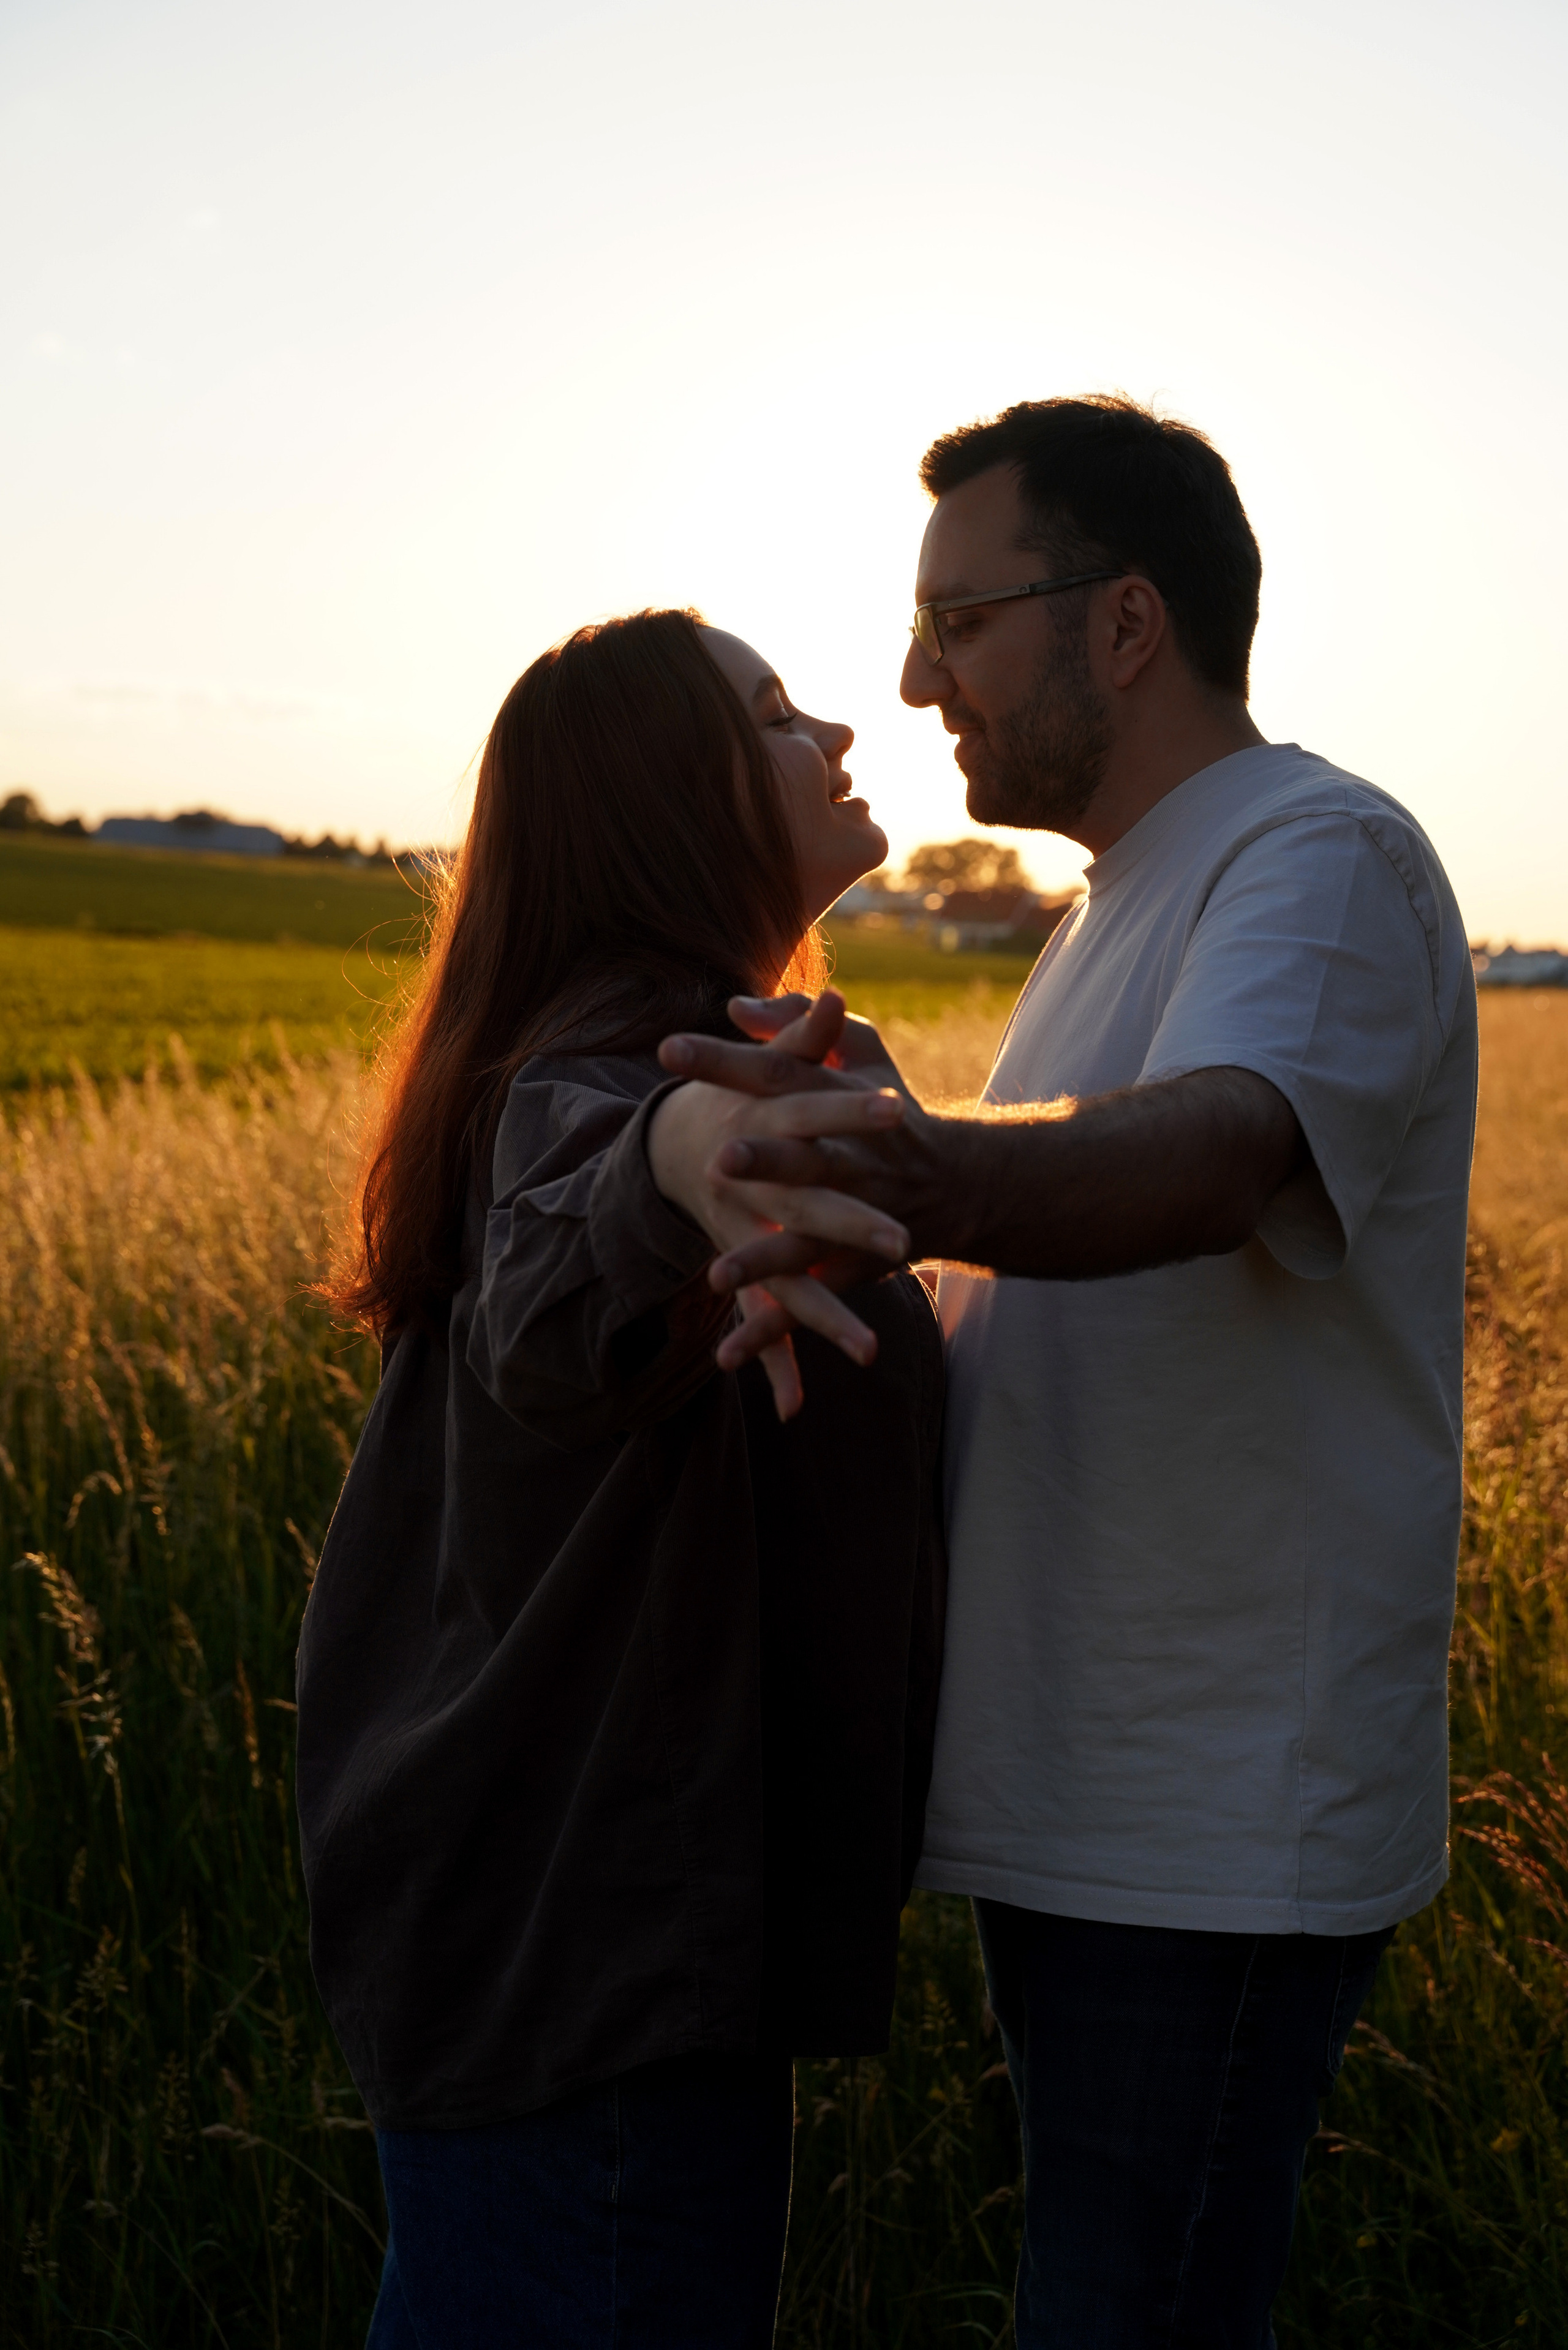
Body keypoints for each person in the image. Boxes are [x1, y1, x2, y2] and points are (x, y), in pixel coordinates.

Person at [657, 397, 1478, 2346]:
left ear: (1125, 622)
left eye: (961, 620)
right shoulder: (1131, 898)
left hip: (1210, 1824)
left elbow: (1221, 1153)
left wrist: (919, 1174)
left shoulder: (1318, 854)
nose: (914, 681)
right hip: (1106, 1798)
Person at [295, 608, 946, 2349]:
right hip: (590, 1967)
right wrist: (677, 1148)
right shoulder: (613, 1071)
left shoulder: (652, 1042)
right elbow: (561, 1255)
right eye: (778, 715)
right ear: (669, 799)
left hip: (565, 1943)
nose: (838, 734)